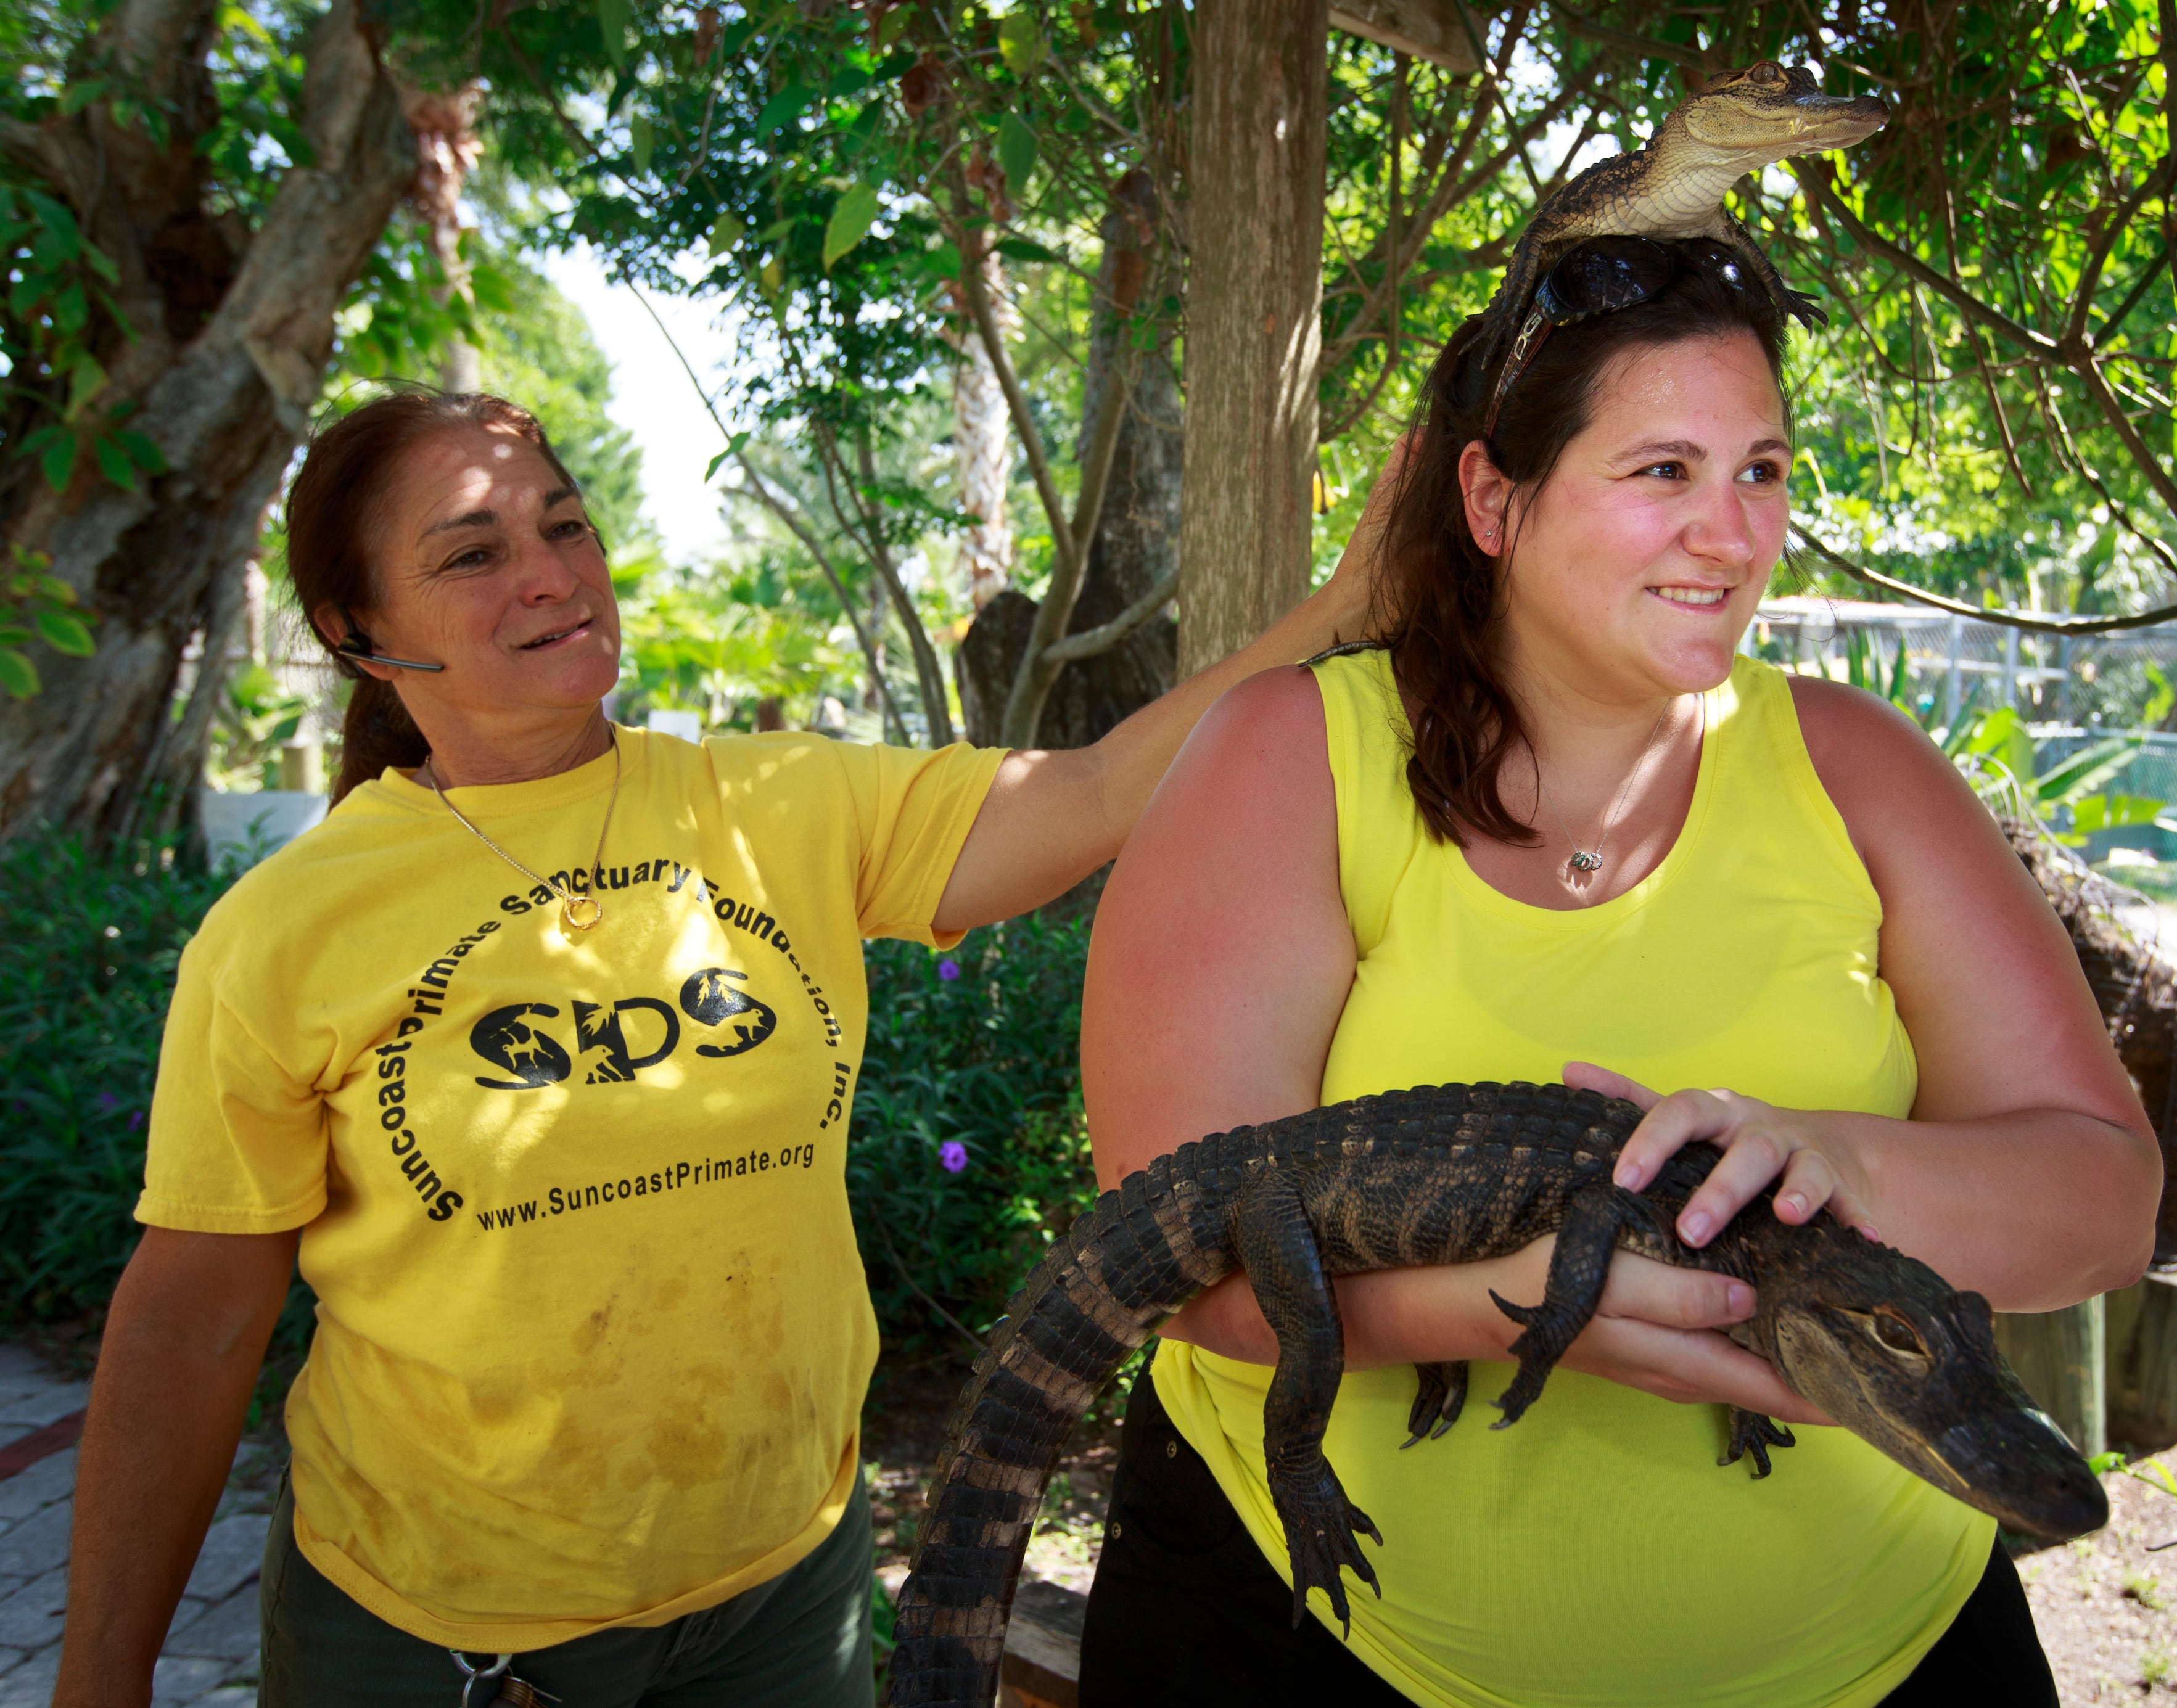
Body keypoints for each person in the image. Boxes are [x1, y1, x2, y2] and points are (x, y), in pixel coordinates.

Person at [54, 389, 1373, 1704]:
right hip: (437, 1637)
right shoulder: (288, 926)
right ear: (359, 633)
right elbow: (190, 1318)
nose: (551, 575)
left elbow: (1091, 790)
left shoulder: (776, 804)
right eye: (473, 552)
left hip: (784, 1602)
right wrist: (100, 1675)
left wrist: (1363, 588)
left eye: (563, 525)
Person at [1075, 240, 2160, 1708]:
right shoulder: (1288, 756)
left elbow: (2106, 1200)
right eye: (1663, 471)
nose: (1734, 532)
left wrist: (1813, 1157)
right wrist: (1511, 1305)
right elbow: (1179, 1253)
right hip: (1318, 1639)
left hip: (1888, 1651)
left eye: (1762, 470)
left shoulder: (1866, 768)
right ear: (1491, 499)